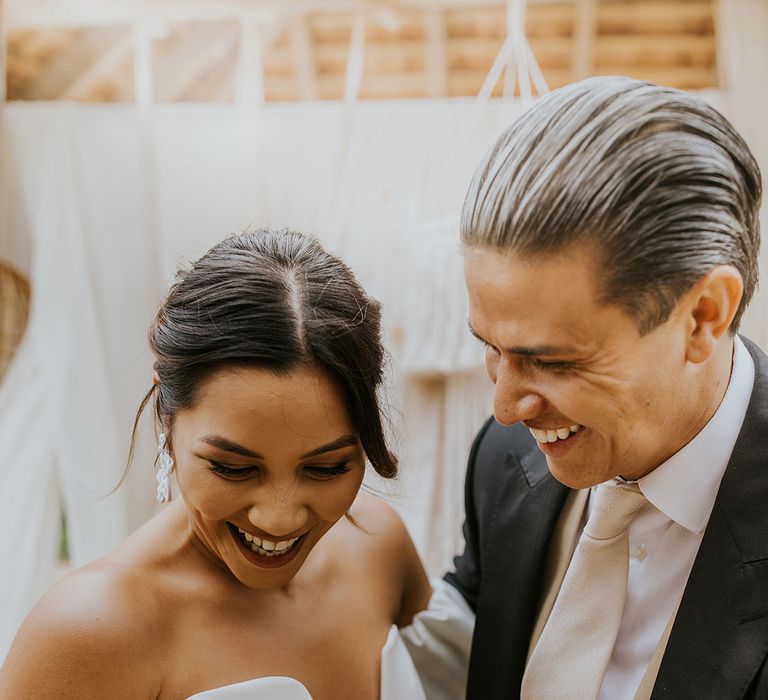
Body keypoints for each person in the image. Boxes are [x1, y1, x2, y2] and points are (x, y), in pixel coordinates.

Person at [403, 76, 768, 699]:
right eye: (491, 348)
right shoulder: (503, 458)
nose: (505, 408)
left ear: (704, 315)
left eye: (552, 362)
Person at [0, 229, 431, 699]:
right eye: (233, 467)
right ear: (167, 422)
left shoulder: (380, 549)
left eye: (326, 468)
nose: (279, 516)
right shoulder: (89, 632)